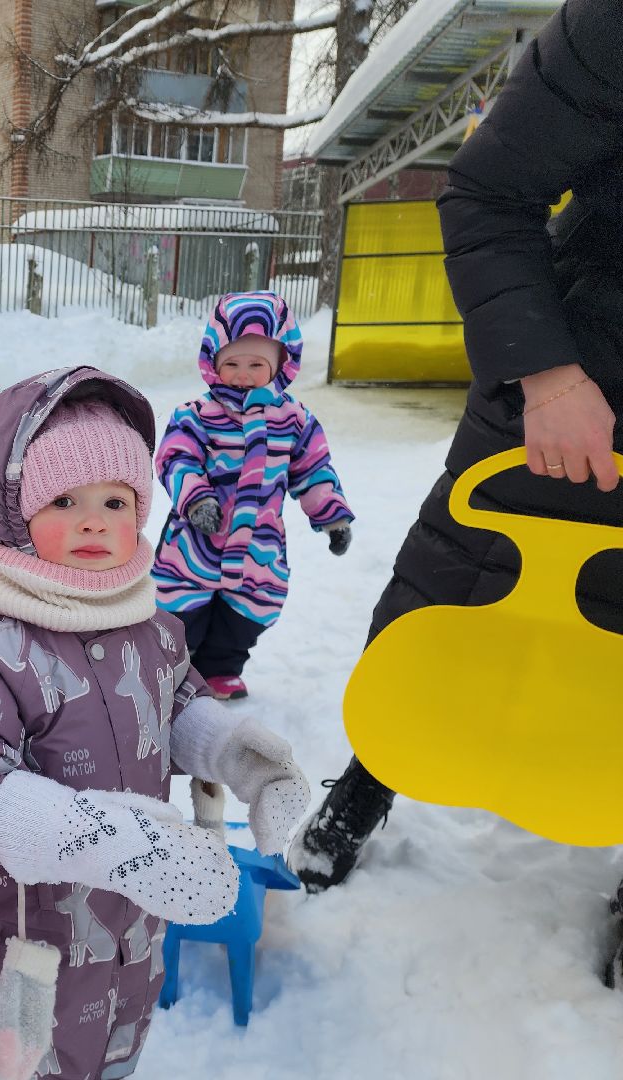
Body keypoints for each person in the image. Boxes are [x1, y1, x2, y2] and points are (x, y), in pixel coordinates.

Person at [289, 0, 623, 969]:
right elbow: (487, 191)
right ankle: (374, 773)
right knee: (460, 583)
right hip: (573, 369)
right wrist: (548, 375)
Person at [0, 367, 311, 1080]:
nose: (95, 520)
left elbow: (173, 701)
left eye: (115, 500)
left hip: (128, 945)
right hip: (20, 958)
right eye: (64, 499)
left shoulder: (152, 628)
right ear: (14, 513)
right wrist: (107, 840)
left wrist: (234, 752)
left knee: (113, 1058)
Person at [152, 291, 355, 700]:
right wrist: (196, 500)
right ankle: (173, 668)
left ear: (281, 364)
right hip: (196, 539)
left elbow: (313, 469)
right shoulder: (196, 414)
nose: (242, 374)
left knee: (249, 610)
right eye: (232, 363)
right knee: (181, 609)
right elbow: (176, 458)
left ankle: (221, 669)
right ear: (213, 361)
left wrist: (332, 516)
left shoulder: (295, 420)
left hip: (259, 545)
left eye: (256, 364)